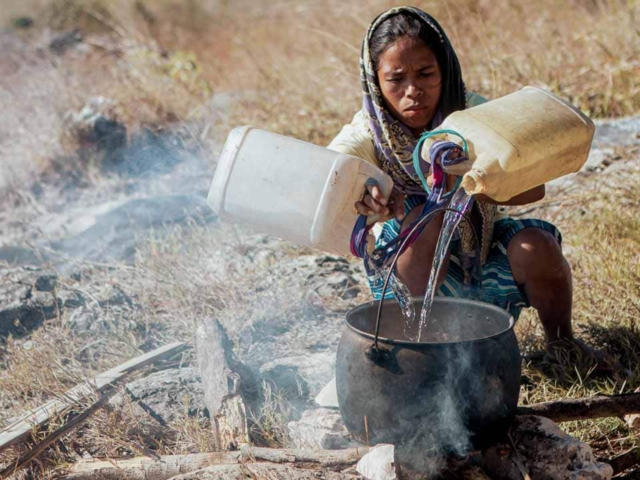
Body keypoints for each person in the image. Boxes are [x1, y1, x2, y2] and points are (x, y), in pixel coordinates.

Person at [328, 6, 611, 371]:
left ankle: (563, 344)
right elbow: (331, 175)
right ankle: (417, 352)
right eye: (395, 79)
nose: (412, 91)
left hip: (481, 254)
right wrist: (368, 197)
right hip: (408, 278)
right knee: (427, 218)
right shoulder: (367, 134)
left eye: (426, 74)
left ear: (445, 70)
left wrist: (476, 178)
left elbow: (533, 189)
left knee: (537, 247)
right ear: (375, 81)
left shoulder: (474, 116)